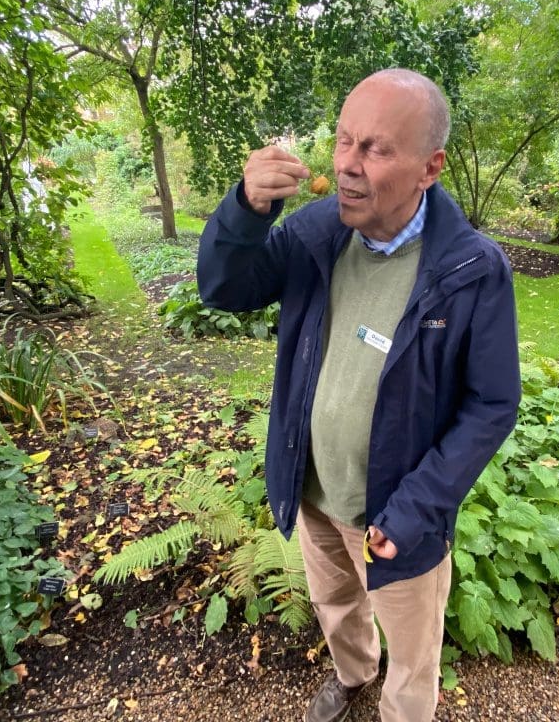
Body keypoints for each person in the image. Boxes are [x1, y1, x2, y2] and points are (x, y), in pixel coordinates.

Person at [197, 68, 520, 722]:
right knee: (336, 606)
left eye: (375, 149)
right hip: (315, 492)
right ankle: (352, 675)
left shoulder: (469, 270)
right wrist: (246, 210)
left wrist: (416, 509)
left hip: (396, 520)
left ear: (430, 167)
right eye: (344, 141)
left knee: (415, 650)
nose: (347, 164)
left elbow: (492, 404)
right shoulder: (315, 234)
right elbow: (224, 289)